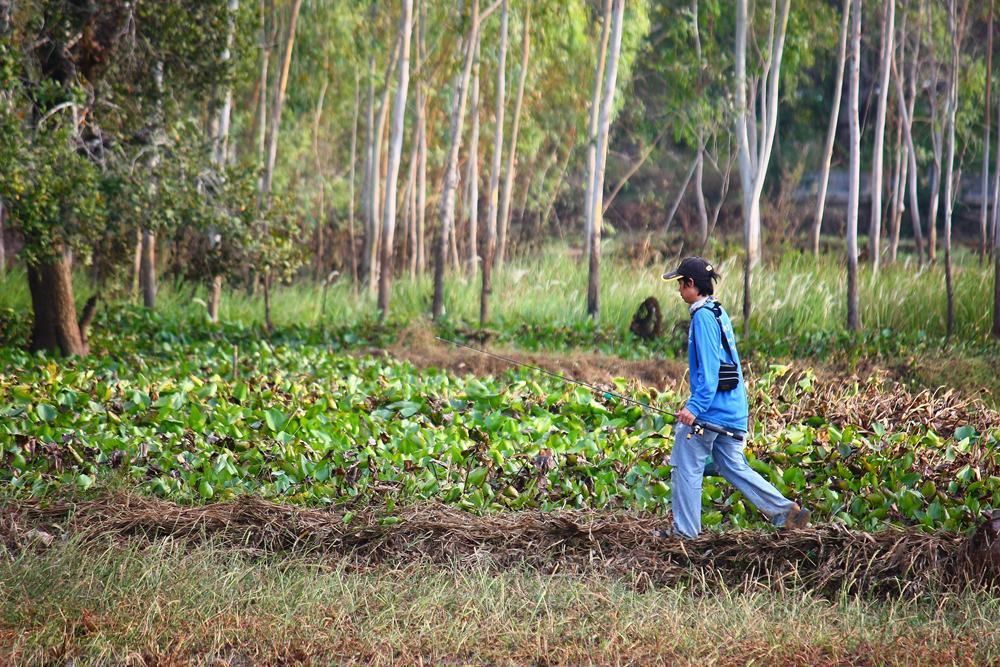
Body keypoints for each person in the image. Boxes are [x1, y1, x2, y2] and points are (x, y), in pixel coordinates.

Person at [661, 256, 810, 538]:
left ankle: (685, 532)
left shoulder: (702, 318)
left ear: (692, 285)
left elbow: (710, 371)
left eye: (681, 283)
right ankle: (784, 510)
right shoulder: (717, 311)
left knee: (685, 456)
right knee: (731, 465)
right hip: (734, 410)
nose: (679, 289)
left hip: (712, 411)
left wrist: (693, 408)